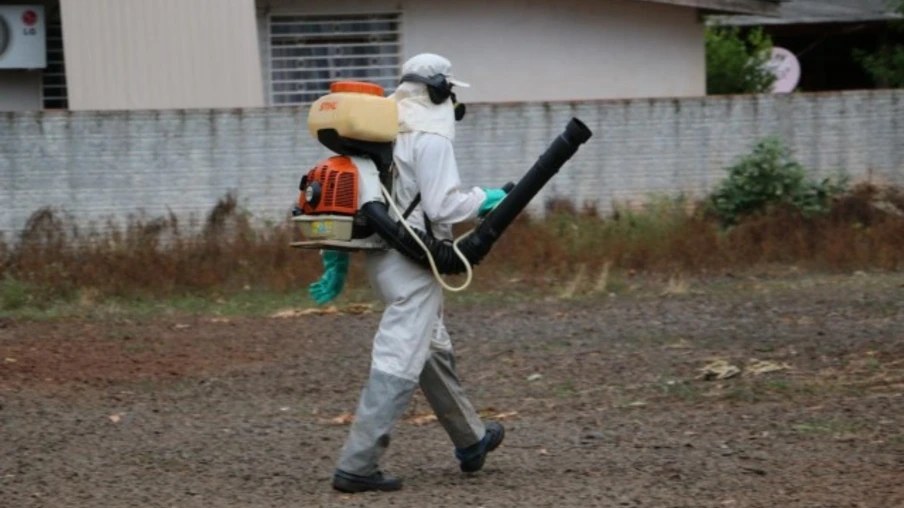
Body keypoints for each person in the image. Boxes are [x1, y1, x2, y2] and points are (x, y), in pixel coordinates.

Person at [307, 53, 509, 494]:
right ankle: (358, 465)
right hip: (415, 264)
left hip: (384, 261)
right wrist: (489, 197)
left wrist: (335, 263)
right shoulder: (430, 138)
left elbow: (360, 200)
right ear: (439, 90)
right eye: (450, 91)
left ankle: (471, 439)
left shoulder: (382, 133)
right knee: (399, 356)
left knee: (430, 350)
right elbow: (444, 206)